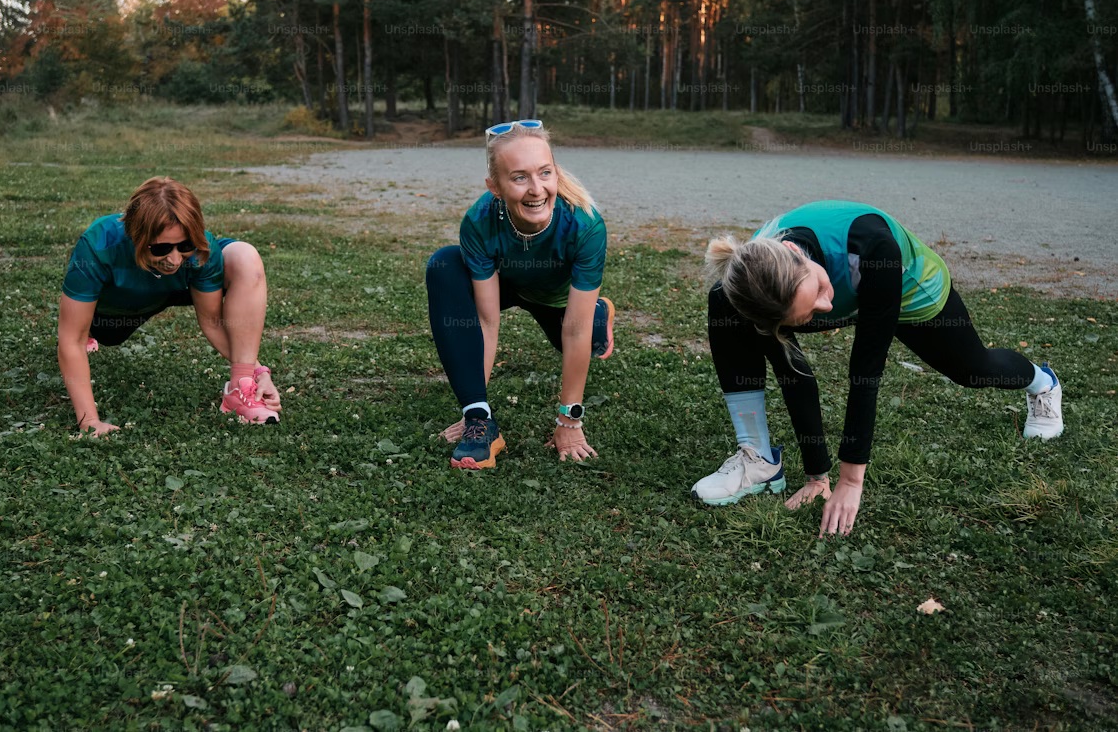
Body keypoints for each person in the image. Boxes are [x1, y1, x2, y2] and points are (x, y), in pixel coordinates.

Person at [691, 200, 1063, 536]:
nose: (824, 307)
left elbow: (865, 373)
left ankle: (1042, 383)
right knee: (724, 301)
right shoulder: (756, 279)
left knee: (972, 369)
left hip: (908, 287)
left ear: (793, 252)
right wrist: (817, 477)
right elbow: (792, 371)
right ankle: (759, 458)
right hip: (835, 287)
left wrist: (850, 481)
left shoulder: (872, 247)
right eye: (808, 311)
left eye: (817, 291)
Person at [426, 120, 615, 469]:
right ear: (495, 187)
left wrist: (569, 421)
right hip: (508, 284)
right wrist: (474, 411)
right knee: (446, 264)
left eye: (545, 173)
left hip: (555, 299)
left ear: (556, 172)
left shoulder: (585, 223)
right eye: (519, 178)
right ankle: (482, 421)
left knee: (583, 337)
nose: (536, 189)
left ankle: (598, 313)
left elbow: (574, 330)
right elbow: (486, 322)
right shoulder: (479, 220)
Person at [57, 176, 283, 435]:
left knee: (245, 258)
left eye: (184, 245)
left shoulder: (200, 250)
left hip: (173, 289)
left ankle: (239, 391)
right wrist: (89, 421)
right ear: (136, 236)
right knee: (98, 332)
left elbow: (212, 322)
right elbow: (70, 339)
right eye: (161, 248)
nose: (175, 260)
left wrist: (256, 372)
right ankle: (93, 331)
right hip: (112, 313)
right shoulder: (98, 244)